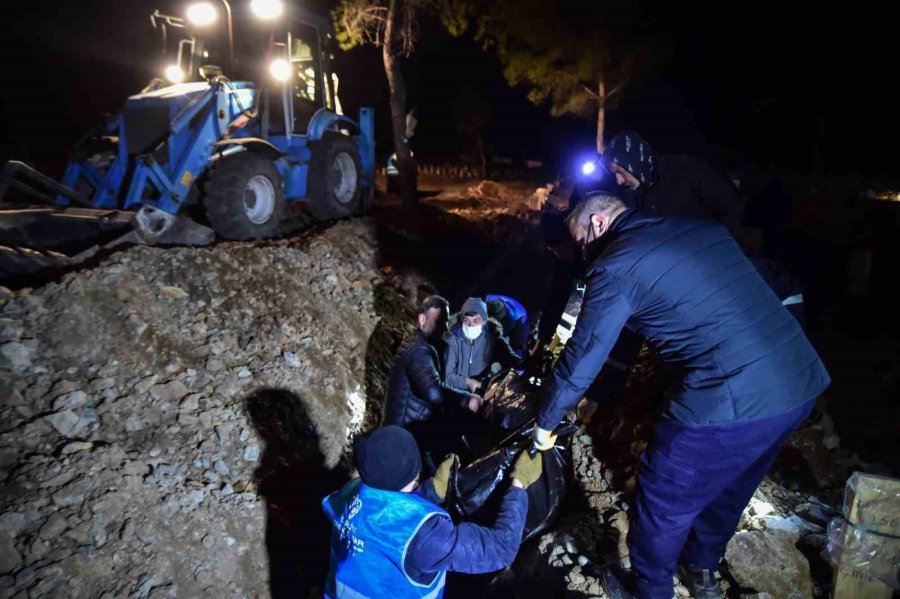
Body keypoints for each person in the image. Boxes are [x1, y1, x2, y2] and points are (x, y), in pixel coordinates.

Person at [533, 193, 830, 599]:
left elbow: (582, 356)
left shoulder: (616, 264)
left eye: (581, 239)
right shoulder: (699, 230)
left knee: (662, 495)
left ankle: (649, 589)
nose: (581, 252)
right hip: (799, 384)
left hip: (731, 395)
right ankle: (701, 568)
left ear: (599, 224)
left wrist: (545, 423)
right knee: (733, 484)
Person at [322, 425, 543, 598]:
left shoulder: (352, 491)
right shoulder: (425, 538)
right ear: (414, 470)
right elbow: (501, 549)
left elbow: (385, 514)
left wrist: (433, 490)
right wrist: (518, 484)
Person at [384, 296, 483, 468]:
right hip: (404, 439)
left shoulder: (422, 344)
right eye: (438, 320)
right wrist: (467, 399)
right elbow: (433, 392)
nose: (444, 327)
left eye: (445, 321)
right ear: (422, 319)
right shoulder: (418, 350)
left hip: (412, 431)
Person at [444, 297, 521, 394]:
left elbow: (513, 360)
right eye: (466, 321)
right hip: (455, 395)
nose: (471, 326)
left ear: (484, 321)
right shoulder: (452, 339)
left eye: (476, 321)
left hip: (482, 395)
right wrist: (467, 383)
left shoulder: (494, 338)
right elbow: (446, 376)